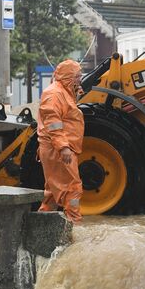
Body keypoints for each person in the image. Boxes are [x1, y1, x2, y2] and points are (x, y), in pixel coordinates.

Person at [37, 59, 85, 224]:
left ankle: (41, 224)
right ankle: (74, 224)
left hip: (56, 148)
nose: (81, 78)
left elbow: (66, 115)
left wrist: (75, 92)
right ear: (68, 77)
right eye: (78, 76)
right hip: (57, 149)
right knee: (73, 188)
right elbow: (54, 123)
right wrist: (63, 147)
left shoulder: (62, 91)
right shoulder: (54, 94)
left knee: (52, 190)